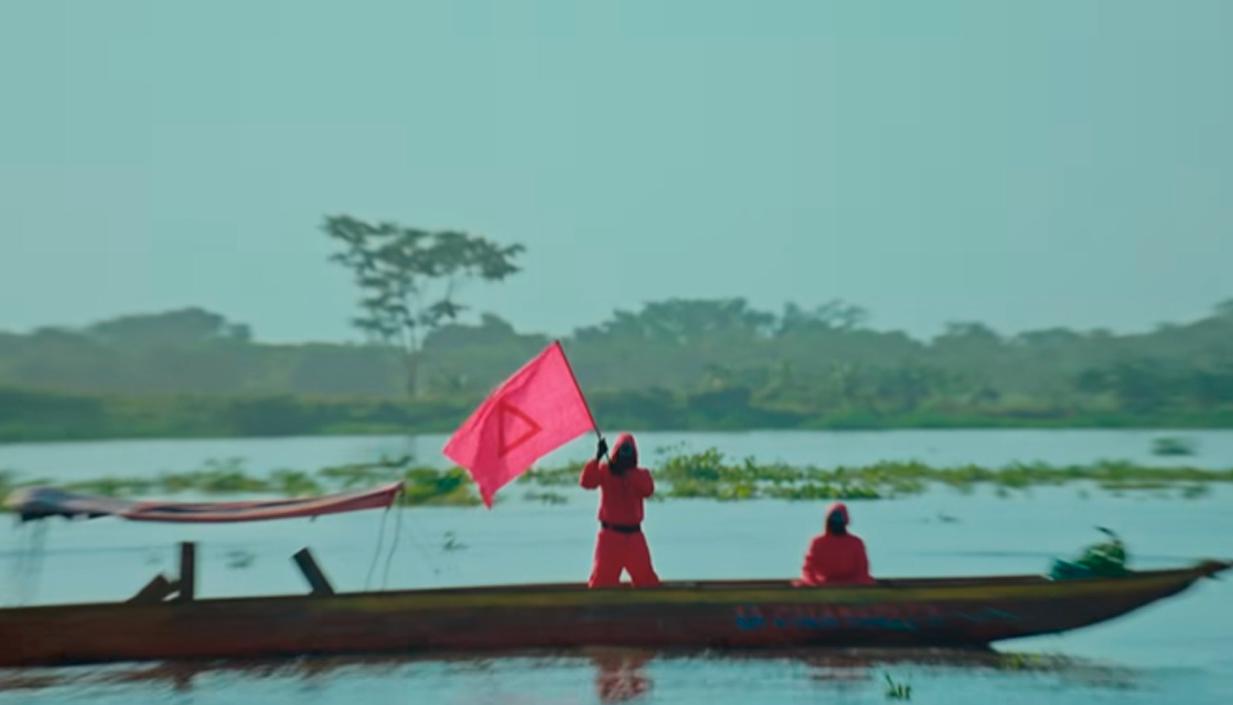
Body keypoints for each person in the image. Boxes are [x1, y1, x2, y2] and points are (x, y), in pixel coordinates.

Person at [580, 433, 661, 588]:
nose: (625, 456)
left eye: (629, 452)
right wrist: (597, 458)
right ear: (615, 452)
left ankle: (651, 609)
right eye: (622, 451)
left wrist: (626, 474)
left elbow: (648, 490)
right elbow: (586, 482)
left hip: (634, 537)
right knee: (602, 582)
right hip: (610, 537)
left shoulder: (641, 475)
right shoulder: (605, 471)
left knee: (647, 581)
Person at [797, 502, 874, 586]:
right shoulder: (817, 542)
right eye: (833, 520)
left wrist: (858, 587)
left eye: (839, 520)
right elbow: (808, 570)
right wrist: (812, 585)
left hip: (852, 586)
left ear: (845, 522)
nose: (836, 523)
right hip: (823, 585)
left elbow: (862, 572)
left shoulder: (856, 543)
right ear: (827, 521)